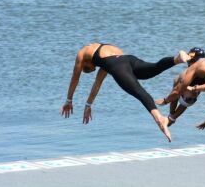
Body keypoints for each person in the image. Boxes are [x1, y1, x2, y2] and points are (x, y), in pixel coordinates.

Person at [60, 43, 190, 142]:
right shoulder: (101, 51)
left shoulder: (81, 55)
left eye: (91, 69)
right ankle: (177, 59)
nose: (95, 69)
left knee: (139, 92)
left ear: (85, 63)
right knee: (154, 68)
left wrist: (68, 101)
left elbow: (75, 79)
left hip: (119, 66)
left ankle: (159, 118)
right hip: (129, 59)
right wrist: (88, 105)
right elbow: (97, 84)